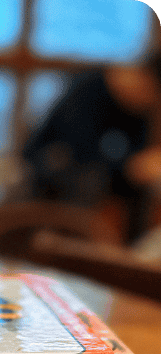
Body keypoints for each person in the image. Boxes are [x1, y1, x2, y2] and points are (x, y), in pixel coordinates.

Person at [22, 53, 161, 240]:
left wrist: (142, 165)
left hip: (102, 173)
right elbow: (81, 151)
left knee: (140, 185)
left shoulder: (137, 109)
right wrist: (130, 165)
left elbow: (135, 154)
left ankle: (129, 253)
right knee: (90, 178)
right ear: (144, 79)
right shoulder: (88, 89)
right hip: (51, 173)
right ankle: (66, 248)